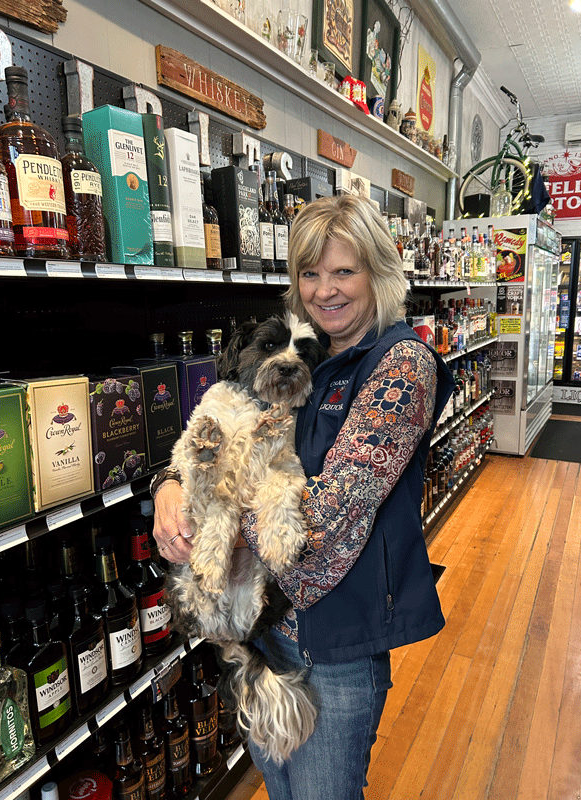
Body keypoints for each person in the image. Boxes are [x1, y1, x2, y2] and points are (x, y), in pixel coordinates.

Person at [151, 195, 455, 800]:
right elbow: (221, 434)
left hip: (333, 641)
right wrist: (172, 485)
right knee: (283, 788)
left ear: (378, 272)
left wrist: (212, 525)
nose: (325, 290)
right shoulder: (304, 354)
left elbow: (327, 520)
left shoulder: (400, 366)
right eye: (310, 273)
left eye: (344, 271)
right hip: (264, 625)